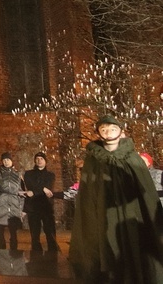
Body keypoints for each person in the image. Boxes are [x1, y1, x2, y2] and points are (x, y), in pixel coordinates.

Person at [69, 115, 163, 283]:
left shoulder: (133, 158)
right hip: (103, 214)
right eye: (104, 130)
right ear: (98, 133)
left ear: (121, 131)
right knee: (108, 247)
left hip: (132, 214)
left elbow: (146, 192)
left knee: (133, 245)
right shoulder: (93, 160)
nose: (108, 133)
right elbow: (88, 192)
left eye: (112, 129)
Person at [21, 151, 58, 253]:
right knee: (34, 234)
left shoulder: (50, 175)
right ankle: (36, 257)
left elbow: (47, 186)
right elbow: (30, 185)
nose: (39, 161)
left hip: (46, 207)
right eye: (37, 159)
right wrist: (43, 189)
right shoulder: (28, 174)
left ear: (45, 161)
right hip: (33, 207)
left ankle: (52, 255)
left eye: (41, 159)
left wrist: (35, 191)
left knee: (50, 233)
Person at [0, 152, 24, 251]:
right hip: (1, 205)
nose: (6, 162)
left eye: (8, 160)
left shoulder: (18, 174)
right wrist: (16, 192)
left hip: (13, 206)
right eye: (4, 160)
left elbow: (22, 192)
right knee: (0, 230)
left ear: (12, 161)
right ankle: (1, 251)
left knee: (13, 232)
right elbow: (1, 187)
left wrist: (21, 208)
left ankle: (14, 252)